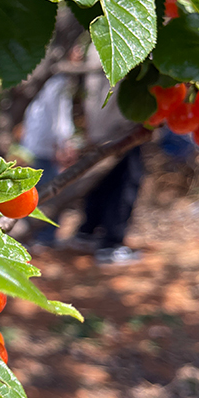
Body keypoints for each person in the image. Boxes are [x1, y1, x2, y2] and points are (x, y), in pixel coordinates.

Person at [72, 47, 145, 265]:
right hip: (122, 129)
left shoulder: (98, 46)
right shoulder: (130, 46)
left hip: (99, 129)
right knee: (125, 182)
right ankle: (110, 244)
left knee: (100, 180)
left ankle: (87, 231)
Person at [19, 73, 75, 247]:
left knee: (34, 191)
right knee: (47, 191)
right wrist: (63, 142)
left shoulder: (39, 78)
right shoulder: (57, 81)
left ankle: (37, 235)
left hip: (34, 144)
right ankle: (44, 236)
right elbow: (59, 115)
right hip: (44, 146)